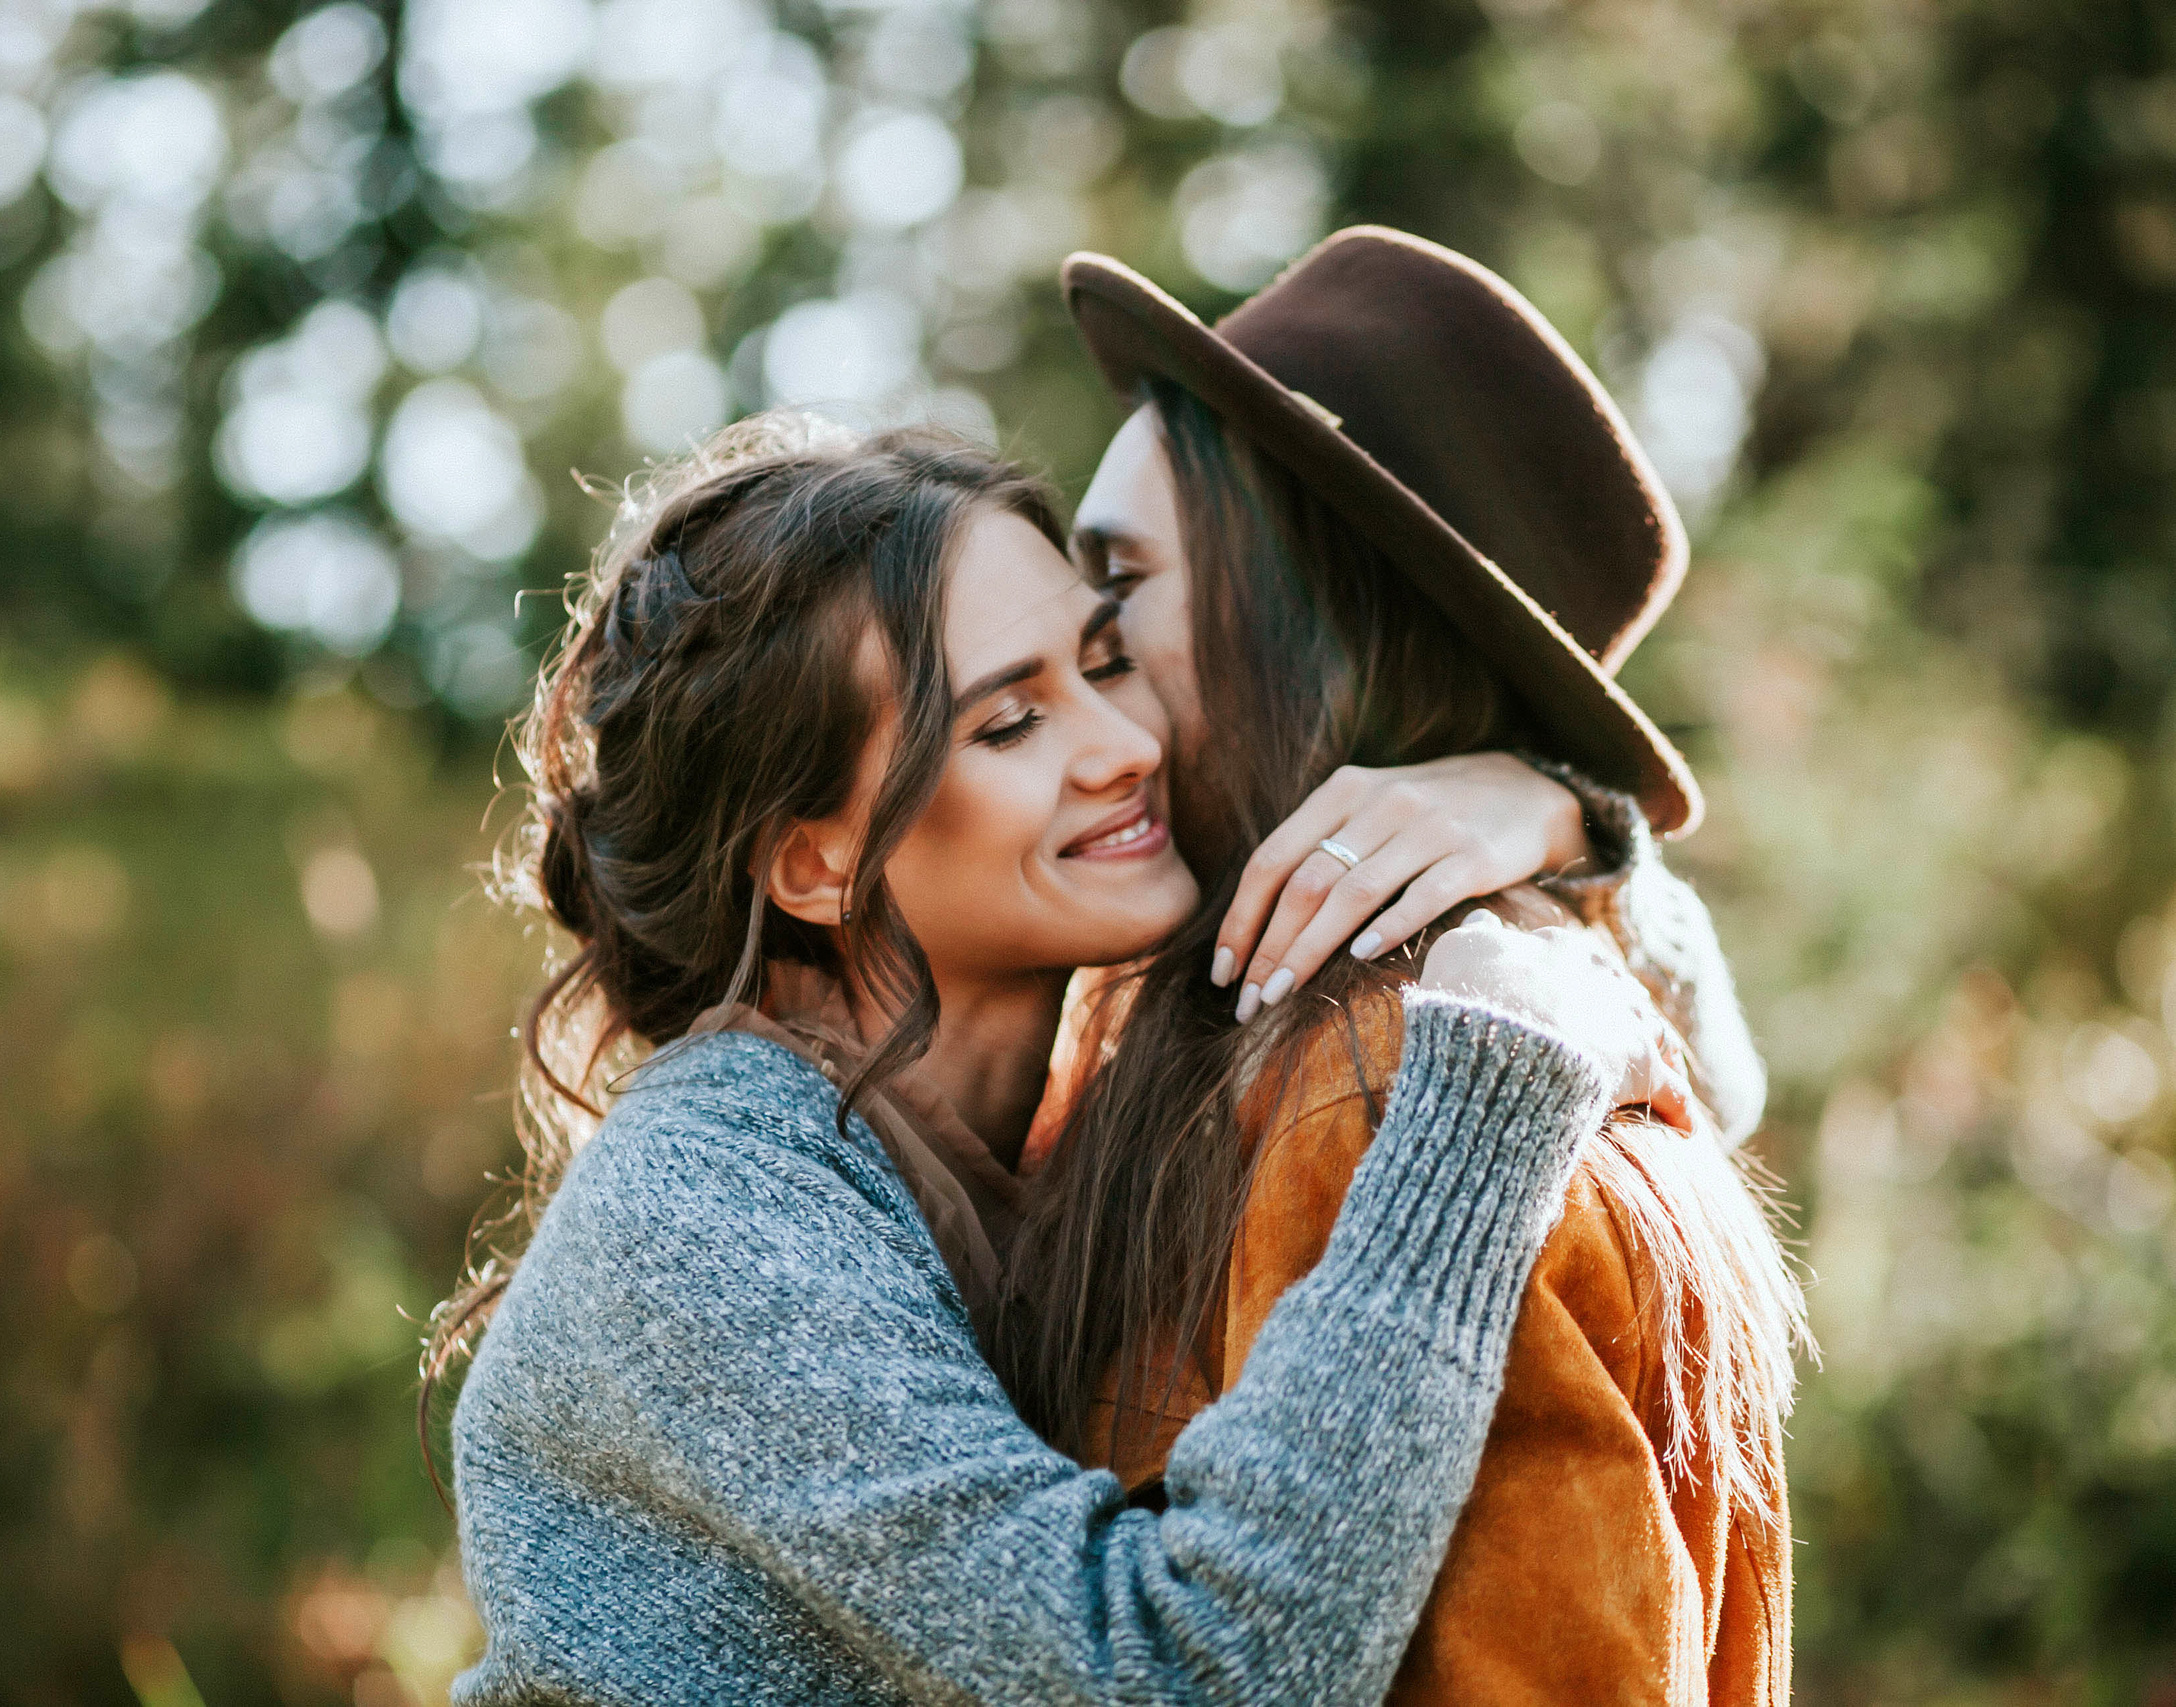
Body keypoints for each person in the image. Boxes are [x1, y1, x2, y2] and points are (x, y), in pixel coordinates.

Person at [434, 412, 1692, 1705]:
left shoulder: (1072, 1109)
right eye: (1009, 723)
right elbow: (1188, 1679)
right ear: (811, 861)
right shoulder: (705, 1215)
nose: (1126, 746)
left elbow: (1722, 1078)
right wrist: (1488, 1103)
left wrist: (1550, 818)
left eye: (1103, 660)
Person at [1002, 229, 1806, 1705]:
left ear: (1316, 605)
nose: (1078, 651)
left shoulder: (1404, 1079)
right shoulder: (1207, 1025)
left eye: (1120, 585)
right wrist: (1585, 827)